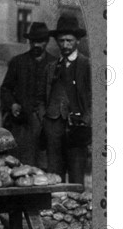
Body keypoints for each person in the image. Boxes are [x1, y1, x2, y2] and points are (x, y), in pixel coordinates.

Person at [38, 15, 91, 185]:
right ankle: (54, 210)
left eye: (69, 40)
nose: (65, 45)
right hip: (53, 130)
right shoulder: (51, 67)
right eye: (61, 41)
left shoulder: (87, 65)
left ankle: (77, 211)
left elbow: (97, 99)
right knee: (54, 179)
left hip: (77, 130)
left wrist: (85, 122)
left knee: (76, 180)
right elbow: (40, 98)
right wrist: (45, 119)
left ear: (77, 41)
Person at [0, 22, 56, 166]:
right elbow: (5, 89)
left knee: (44, 168)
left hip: (45, 126)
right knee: (20, 165)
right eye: (34, 41)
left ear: (47, 42)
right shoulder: (17, 62)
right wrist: (12, 104)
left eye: (41, 41)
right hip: (22, 125)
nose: (37, 45)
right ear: (29, 42)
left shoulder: (55, 64)